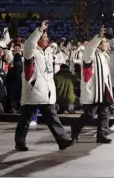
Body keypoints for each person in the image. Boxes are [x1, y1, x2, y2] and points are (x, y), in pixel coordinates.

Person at [14, 20, 74, 151]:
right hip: (33, 91)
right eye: (45, 37)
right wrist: (40, 30)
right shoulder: (31, 51)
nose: (47, 39)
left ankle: (62, 139)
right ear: (39, 39)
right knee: (25, 120)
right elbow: (29, 43)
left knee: (51, 117)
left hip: (45, 91)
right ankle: (20, 142)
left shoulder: (47, 52)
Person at [71, 25, 114, 144]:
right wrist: (99, 37)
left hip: (103, 90)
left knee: (104, 113)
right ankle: (75, 127)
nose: (106, 44)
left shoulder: (104, 55)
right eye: (104, 42)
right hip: (94, 91)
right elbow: (90, 48)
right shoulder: (89, 54)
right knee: (89, 115)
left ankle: (102, 135)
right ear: (99, 44)